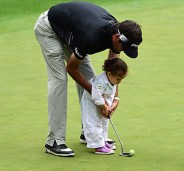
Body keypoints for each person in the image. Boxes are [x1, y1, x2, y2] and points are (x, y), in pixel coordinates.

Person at [34, 1, 142, 157]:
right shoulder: (92, 36)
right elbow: (71, 68)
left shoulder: (118, 32)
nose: (123, 51)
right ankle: (54, 141)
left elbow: (113, 71)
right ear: (116, 37)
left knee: (92, 80)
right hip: (49, 28)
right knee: (59, 81)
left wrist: (114, 98)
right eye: (124, 47)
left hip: (73, 31)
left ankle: (90, 133)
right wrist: (98, 96)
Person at [81, 58, 128, 155]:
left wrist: (109, 107)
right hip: (90, 102)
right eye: (118, 79)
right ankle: (97, 146)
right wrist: (105, 107)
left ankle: (101, 141)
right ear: (109, 74)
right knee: (93, 122)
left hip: (102, 103)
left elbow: (111, 95)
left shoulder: (112, 81)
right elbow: (96, 97)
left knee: (104, 122)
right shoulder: (100, 82)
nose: (119, 82)